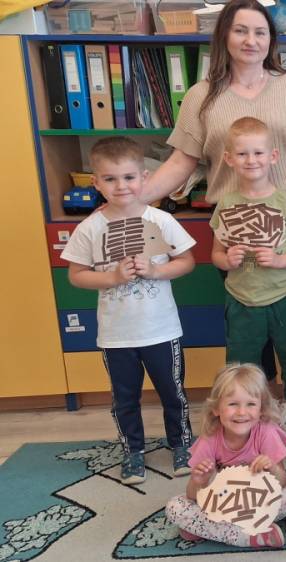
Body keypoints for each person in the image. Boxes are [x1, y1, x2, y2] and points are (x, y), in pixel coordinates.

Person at [138, 0, 286, 453]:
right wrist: (132, 198)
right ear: (224, 35)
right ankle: (257, 422)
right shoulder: (202, 95)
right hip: (233, 226)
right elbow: (181, 161)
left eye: (260, 32)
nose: (251, 40)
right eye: (241, 30)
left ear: (270, 40)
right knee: (249, 337)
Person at [61, 137, 196, 484]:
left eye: (129, 177)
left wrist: (156, 270)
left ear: (144, 177)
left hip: (162, 330)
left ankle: (182, 445)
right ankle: (132, 451)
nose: (121, 186)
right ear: (95, 182)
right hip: (116, 335)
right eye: (110, 179)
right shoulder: (90, 227)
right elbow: (76, 275)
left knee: (173, 393)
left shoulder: (161, 220)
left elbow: (186, 261)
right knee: (124, 399)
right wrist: (112, 277)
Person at [209, 117, 286, 465]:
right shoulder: (226, 204)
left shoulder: (285, 202)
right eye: (242, 153)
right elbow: (215, 255)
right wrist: (227, 258)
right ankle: (250, 433)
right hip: (242, 302)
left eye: (258, 153)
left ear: (273, 156)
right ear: (229, 159)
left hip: (284, 299)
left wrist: (281, 259)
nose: (251, 160)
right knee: (242, 372)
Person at [165, 364, 286, 549]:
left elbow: (282, 483)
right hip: (222, 504)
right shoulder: (209, 438)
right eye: (233, 404)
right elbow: (192, 495)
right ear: (216, 408)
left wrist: (273, 469)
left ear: (261, 408)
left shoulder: (266, 433)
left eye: (251, 404)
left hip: (256, 502)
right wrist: (199, 481)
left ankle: (208, 529)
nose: (242, 412)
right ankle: (249, 536)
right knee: (175, 507)